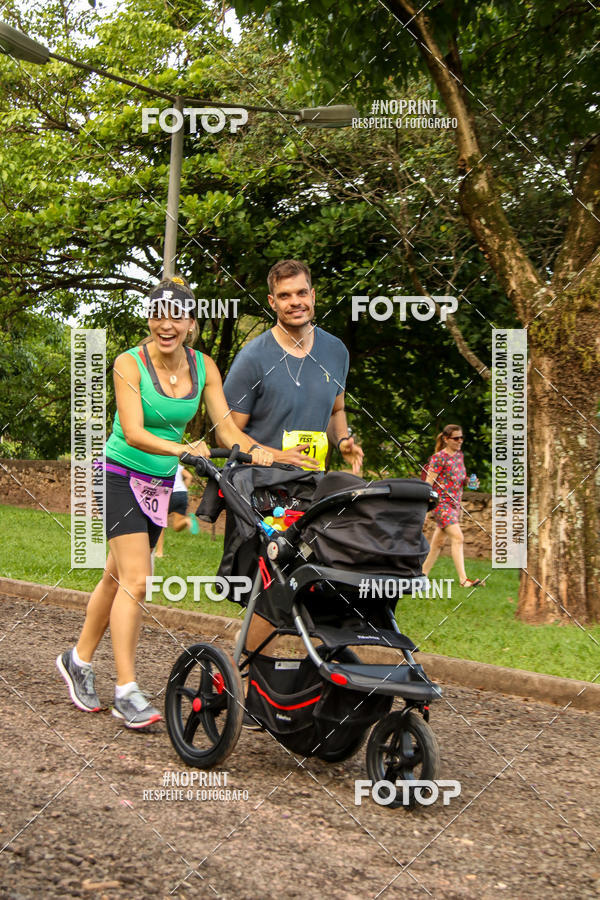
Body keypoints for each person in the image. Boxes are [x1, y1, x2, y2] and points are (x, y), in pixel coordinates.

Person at [57, 276, 272, 729]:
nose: (166, 324)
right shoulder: (128, 363)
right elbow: (133, 431)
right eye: (158, 314)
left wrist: (266, 452)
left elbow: (227, 430)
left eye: (176, 316)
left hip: (156, 484)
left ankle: (77, 660)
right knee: (138, 578)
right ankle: (127, 691)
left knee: (116, 578)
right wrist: (182, 451)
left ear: (191, 323)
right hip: (118, 475)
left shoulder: (205, 366)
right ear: (150, 319)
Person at [222, 259, 363, 653]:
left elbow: (336, 411)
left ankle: (302, 683)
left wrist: (346, 441)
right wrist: (272, 453)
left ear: (313, 296)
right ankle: (244, 681)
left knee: (320, 586)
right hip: (263, 492)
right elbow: (228, 431)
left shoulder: (335, 351)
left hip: (313, 489)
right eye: (285, 296)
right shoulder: (254, 358)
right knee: (270, 595)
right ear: (272, 301)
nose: (295, 302)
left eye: (302, 293)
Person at [421, 423, 483, 588]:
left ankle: (422, 575)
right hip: (441, 505)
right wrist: (425, 511)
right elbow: (428, 483)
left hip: (454, 505)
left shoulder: (459, 456)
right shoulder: (439, 458)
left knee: (438, 543)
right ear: (447, 439)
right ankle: (463, 580)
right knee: (458, 537)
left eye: (461, 437)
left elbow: (460, 479)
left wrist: (471, 482)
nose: (460, 441)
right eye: (456, 438)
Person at [154, 463, 197, 558]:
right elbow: (189, 476)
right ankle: (187, 520)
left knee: (160, 521)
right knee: (176, 526)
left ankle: (159, 552)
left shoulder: (161, 463)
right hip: (182, 493)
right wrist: (183, 489)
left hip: (169, 492)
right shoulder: (176, 465)